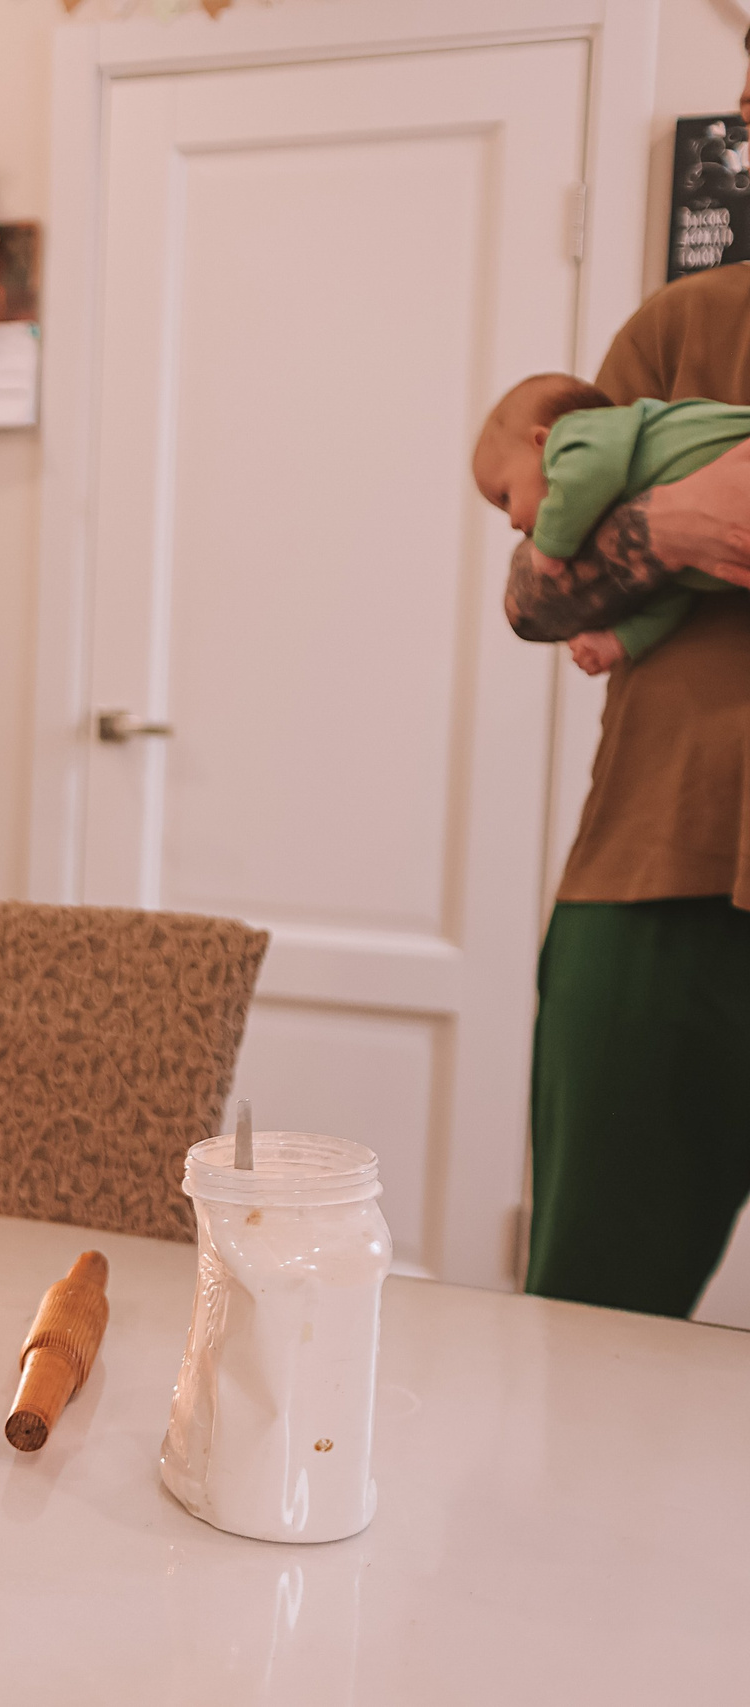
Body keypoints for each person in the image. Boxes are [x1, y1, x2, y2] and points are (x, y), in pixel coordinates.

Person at [499, 29, 750, 1319]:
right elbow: (533, 595)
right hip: (649, 888)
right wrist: (682, 527)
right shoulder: (680, 331)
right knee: (586, 1327)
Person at [472, 373, 745, 674]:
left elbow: (589, 469)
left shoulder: (579, 437)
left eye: (506, 497)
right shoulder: (616, 517)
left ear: (541, 442)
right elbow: (670, 597)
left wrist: (550, 546)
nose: (512, 522)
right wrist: (617, 641)